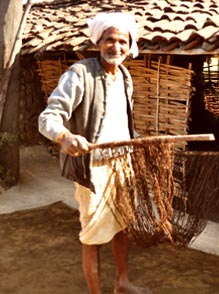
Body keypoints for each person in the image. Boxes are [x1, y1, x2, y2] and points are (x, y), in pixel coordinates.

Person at [38, 12, 151, 294]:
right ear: (98, 43)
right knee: (93, 235)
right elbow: (48, 118)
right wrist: (65, 136)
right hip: (93, 169)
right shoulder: (80, 74)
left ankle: (122, 283)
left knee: (122, 226)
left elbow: (121, 122)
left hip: (122, 164)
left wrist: (138, 143)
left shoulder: (125, 76)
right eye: (109, 40)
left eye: (123, 41)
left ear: (130, 44)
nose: (116, 47)